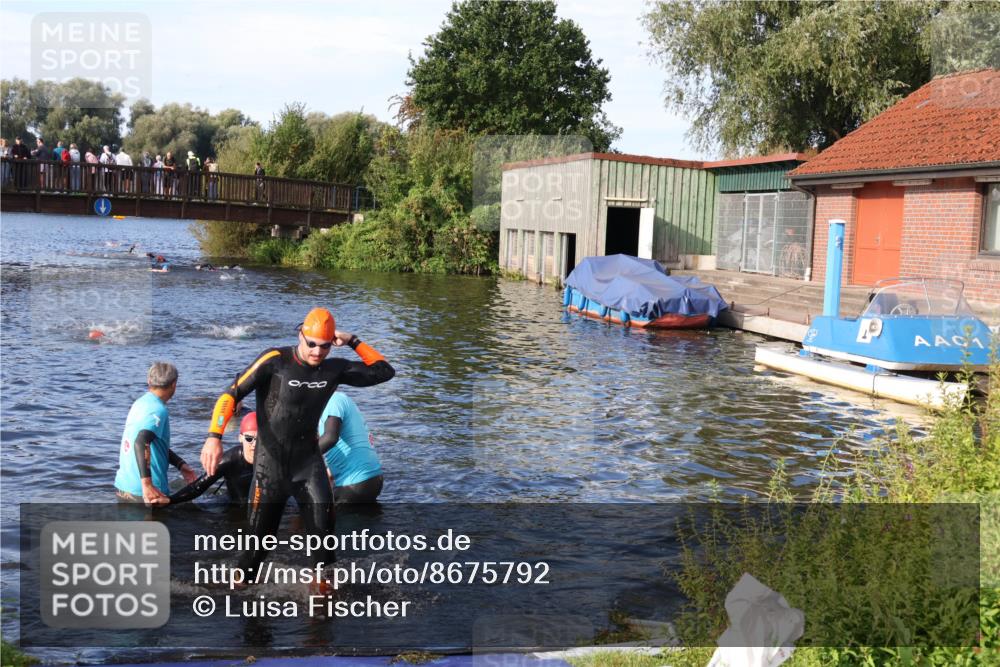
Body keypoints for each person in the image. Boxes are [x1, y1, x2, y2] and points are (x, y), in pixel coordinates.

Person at [199, 307, 395, 581]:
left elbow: (384, 372)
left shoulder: (334, 369)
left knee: (325, 550)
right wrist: (213, 436)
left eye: (325, 346)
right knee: (256, 551)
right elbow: (231, 393)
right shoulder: (275, 360)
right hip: (270, 469)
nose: (317, 352)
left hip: (308, 467)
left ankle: (322, 612)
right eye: (311, 344)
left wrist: (353, 340)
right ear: (301, 335)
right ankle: (240, 602)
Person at [114, 362, 198, 505]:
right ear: (174, 385)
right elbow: (141, 441)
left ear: (149, 381)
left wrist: (180, 465)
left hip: (123, 488)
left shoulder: (139, 403)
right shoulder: (158, 410)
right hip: (147, 494)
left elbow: (155, 444)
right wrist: (147, 485)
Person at [171, 412, 257, 505]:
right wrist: (170, 500)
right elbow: (197, 487)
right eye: (249, 438)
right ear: (240, 438)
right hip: (234, 506)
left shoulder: (272, 459)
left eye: (260, 439)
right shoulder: (230, 460)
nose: (255, 444)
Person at [318, 392, 384, 503]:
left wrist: (297, 462)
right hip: (372, 479)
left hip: (354, 483)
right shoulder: (340, 400)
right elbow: (354, 444)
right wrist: (330, 472)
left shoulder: (333, 400)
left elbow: (330, 438)